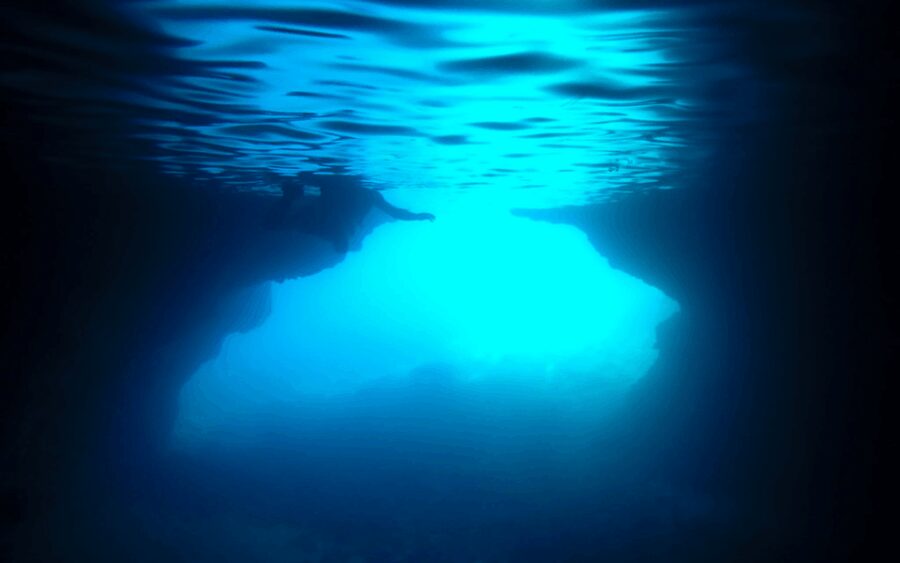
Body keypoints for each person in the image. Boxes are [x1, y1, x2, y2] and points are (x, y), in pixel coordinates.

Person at [266, 171, 435, 253]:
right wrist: (418, 217)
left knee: (276, 224)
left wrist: (418, 217)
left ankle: (291, 194)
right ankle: (291, 194)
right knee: (276, 224)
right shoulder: (368, 195)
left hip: (326, 209)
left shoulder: (367, 195)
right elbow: (395, 213)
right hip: (328, 207)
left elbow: (395, 213)